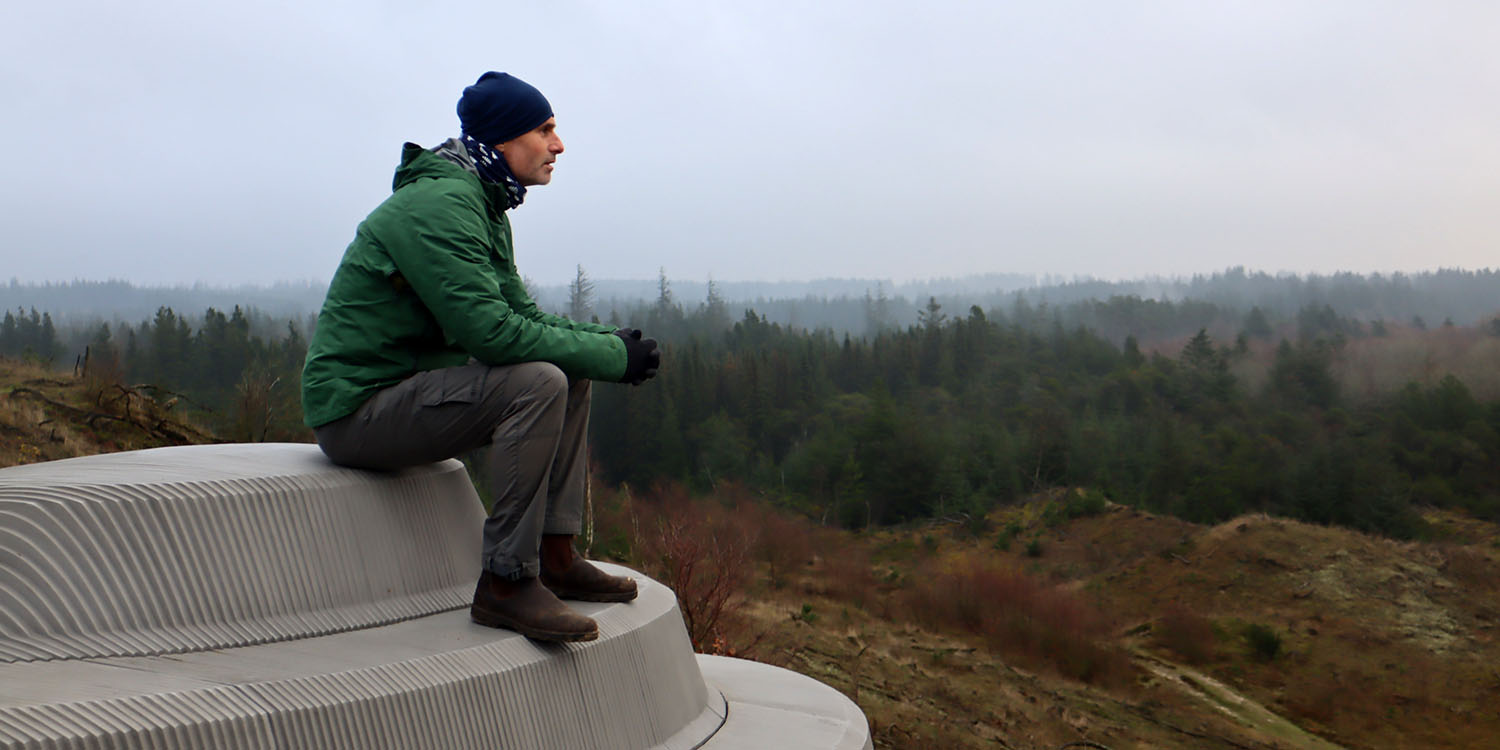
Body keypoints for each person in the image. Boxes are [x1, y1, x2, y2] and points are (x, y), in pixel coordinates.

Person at [301, 71, 661, 643]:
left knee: (570, 370)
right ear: (503, 139)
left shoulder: (482, 203)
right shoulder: (443, 205)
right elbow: (493, 335)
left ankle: (554, 554)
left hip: (405, 391)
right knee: (539, 380)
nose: (558, 145)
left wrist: (605, 347)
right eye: (545, 130)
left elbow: (523, 316)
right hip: (356, 412)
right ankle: (505, 584)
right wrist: (613, 357)